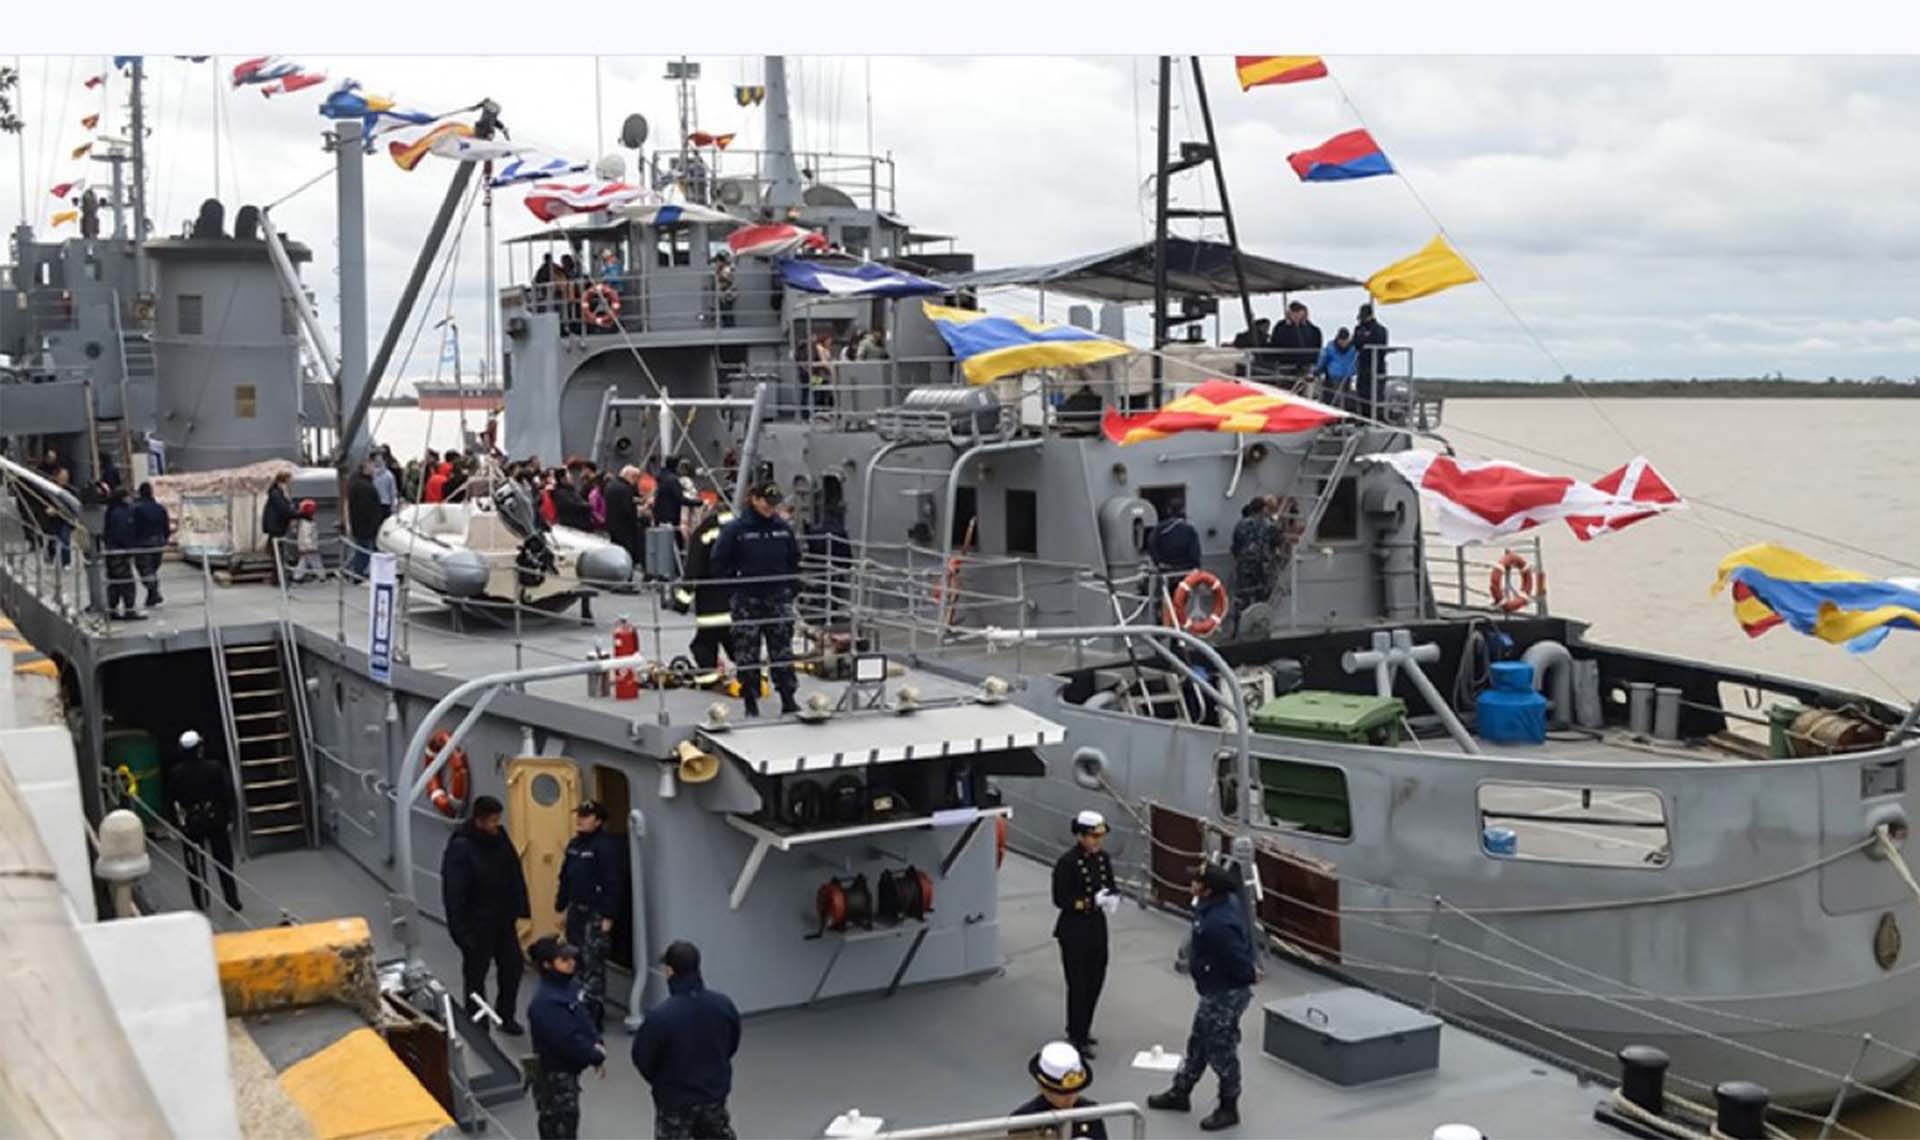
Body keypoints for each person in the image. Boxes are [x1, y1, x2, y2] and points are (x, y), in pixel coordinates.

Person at [1148, 858, 1258, 1132]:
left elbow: (1238, 962)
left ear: (1208, 889)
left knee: (1222, 1050)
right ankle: (1181, 1092)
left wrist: (1243, 978)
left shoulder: (1218, 924)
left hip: (1224, 994)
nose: (1192, 883)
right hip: (1213, 990)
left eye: (1197, 881)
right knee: (1199, 1042)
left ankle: (1229, 1107)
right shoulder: (1214, 907)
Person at [631, 941, 741, 1140]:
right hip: (712, 1096)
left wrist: (662, 1081)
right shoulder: (723, 1005)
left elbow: (643, 1057)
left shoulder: (660, 1017)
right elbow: (732, 1043)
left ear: (669, 972)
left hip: (675, 1101)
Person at [441, 795, 533, 1035]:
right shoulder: (461, 847)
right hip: (477, 925)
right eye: (492, 821)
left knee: (512, 968)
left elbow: (514, 871)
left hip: (503, 920)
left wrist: (521, 907)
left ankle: (506, 1015)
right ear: (479, 820)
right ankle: (478, 1024)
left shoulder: (500, 838)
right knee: (475, 977)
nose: (496, 825)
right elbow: (454, 892)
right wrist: (461, 932)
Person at [712, 481, 802, 717]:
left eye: (774, 504)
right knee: (747, 653)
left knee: (782, 651)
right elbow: (719, 562)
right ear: (754, 499)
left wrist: (790, 588)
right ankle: (750, 701)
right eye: (766, 503)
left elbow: (793, 560)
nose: (770, 508)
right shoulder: (736, 530)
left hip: (778, 599)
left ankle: (788, 698)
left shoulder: (783, 529)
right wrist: (735, 587)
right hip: (747, 600)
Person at [527, 936, 605, 1140]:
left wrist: (596, 1041)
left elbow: (583, 1018)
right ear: (547, 965)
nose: (571, 963)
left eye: (571, 958)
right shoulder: (545, 1003)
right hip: (554, 1079)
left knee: (569, 1124)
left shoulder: (569, 988)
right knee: (559, 1128)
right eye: (564, 960)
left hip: (568, 1073)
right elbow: (566, 1040)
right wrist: (594, 1054)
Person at [1053, 811, 1118, 1059]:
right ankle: (1076, 1034)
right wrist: (1090, 902)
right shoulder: (1067, 863)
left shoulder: (1102, 859)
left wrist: (1112, 898)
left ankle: (1084, 1027)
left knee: (1095, 980)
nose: (1097, 841)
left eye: (1099, 837)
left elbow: (1109, 883)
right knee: (1078, 984)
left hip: (1096, 927)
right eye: (1093, 836)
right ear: (1080, 836)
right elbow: (1061, 899)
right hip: (1074, 929)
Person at [555, 801, 622, 1032]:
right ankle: (578, 1004)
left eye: (586, 816)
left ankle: (594, 1013)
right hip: (576, 910)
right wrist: (561, 904)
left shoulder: (604, 847)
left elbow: (612, 882)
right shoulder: (574, 845)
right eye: (580, 815)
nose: (580, 819)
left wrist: (608, 915)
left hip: (595, 912)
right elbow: (565, 876)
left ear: (598, 820)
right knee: (574, 959)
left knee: (593, 962)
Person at [167, 729, 242, 914]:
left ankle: (201, 902)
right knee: (224, 861)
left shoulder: (176, 773)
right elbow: (226, 794)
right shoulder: (214, 768)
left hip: (192, 822)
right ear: (200, 748)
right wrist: (229, 817)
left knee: (194, 865)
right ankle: (232, 900)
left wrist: (175, 824)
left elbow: (171, 800)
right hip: (216, 819)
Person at [678, 502, 736, 685]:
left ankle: (708, 677)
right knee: (736, 640)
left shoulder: (706, 530)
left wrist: (682, 600)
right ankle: (752, 673)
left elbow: (694, 566)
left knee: (705, 642)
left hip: (710, 597)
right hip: (736, 598)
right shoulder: (742, 526)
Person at [1010, 1041, 1108, 1139]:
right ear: (1042, 1088)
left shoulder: (1089, 1112)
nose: (1070, 1098)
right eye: (1062, 1094)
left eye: (1075, 1091)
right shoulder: (1024, 1120)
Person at [1229, 496, 1281, 636]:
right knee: (1262, 600)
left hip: (1244, 566)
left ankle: (1237, 630)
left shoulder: (1240, 524)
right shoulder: (1270, 525)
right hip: (1263, 568)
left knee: (1242, 599)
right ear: (1263, 509)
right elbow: (1278, 542)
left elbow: (1235, 546)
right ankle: (1262, 629)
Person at [102, 486, 144, 620]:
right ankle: (129, 610)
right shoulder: (121, 513)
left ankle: (112, 609)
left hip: (111, 551)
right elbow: (122, 533)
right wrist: (130, 547)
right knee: (127, 582)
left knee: (114, 582)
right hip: (120, 552)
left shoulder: (111, 511)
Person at [131, 482, 169, 608]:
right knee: (152, 568)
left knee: (145, 570)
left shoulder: (136, 509)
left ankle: (154, 592)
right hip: (158, 542)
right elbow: (166, 526)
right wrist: (165, 538)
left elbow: (133, 526)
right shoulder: (160, 508)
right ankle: (152, 595)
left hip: (142, 543)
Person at [1352, 302, 1390, 418]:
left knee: (1376, 394)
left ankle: (1377, 418)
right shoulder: (1359, 329)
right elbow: (1356, 343)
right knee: (1362, 393)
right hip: (1363, 366)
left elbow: (1378, 343)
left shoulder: (1380, 330)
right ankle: (1364, 417)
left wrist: (1365, 339)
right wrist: (1364, 339)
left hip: (1377, 366)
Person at [346, 460, 382, 580]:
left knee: (359, 550)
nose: (374, 469)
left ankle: (351, 571)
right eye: (372, 467)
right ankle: (357, 574)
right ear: (365, 469)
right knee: (363, 551)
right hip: (365, 525)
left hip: (358, 523)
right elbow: (367, 508)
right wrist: (374, 524)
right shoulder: (365, 487)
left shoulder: (355, 483)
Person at [1147, 496, 1202, 575]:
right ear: (1183, 510)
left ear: (1169, 510)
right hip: (1186, 570)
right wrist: (1196, 566)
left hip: (1165, 568)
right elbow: (1195, 552)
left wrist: (1157, 562)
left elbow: (1151, 545)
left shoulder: (1159, 528)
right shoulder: (1189, 529)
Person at [1267, 301, 1323, 374]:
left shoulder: (1314, 330)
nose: (1296, 316)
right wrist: (1289, 326)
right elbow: (1276, 342)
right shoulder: (1281, 327)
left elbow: (1317, 345)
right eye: (1294, 313)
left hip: (1307, 364)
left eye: (1299, 314)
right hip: (1286, 363)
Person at [604, 465, 644, 567]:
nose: (636, 482)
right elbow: (627, 509)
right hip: (625, 527)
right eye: (636, 478)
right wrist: (639, 513)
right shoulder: (626, 489)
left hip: (612, 525)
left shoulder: (610, 485)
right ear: (631, 476)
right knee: (626, 553)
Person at [262, 470, 297, 584]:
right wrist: (299, 514)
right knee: (278, 554)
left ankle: (277, 578)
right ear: (284, 481)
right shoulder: (277, 493)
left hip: (275, 526)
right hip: (277, 527)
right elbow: (284, 509)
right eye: (289, 480)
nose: (290, 482)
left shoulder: (276, 492)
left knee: (277, 554)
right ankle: (279, 579)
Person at [1314, 328, 1359, 408]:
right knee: (1335, 398)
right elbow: (1323, 359)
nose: (1343, 343)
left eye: (1345, 340)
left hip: (1347, 376)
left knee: (1345, 397)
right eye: (1341, 340)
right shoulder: (1330, 347)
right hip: (1333, 376)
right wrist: (1317, 370)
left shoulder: (1353, 348)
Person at [292, 499, 326, 584]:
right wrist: (310, 546)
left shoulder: (307, 521)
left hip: (307, 546)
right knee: (315, 561)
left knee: (304, 562)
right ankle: (321, 576)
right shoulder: (306, 523)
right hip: (309, 547)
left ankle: (297, 577)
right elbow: (306, 536)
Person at [371, 448, 398, 522]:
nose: (377, 462)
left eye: (380, 460)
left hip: (385, 505)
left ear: (384, 461)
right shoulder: (372, 474)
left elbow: (393, 492)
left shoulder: (389, 476)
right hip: (374, 504)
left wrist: (393, 506)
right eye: (376, 460)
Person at [713, 251, 737, 328]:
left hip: (728, 292)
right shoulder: (723, 268)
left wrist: (717, 273)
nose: (716, 263)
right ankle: (728, 326)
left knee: (727, 310)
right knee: (725, 310)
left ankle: (730, 327)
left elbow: (727, 280)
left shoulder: (727, 268)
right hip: (725, 292)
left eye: (717, 261)